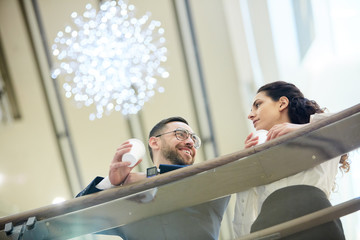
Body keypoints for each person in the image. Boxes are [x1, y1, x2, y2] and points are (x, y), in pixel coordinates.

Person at [77, 116, 230, 240]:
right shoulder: (126, 191)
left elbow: (185, 180)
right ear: (154, 142)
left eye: (193, 139)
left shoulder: (209, 179)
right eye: (181, 134)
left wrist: (144, 179)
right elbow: (77, 219)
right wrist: (111, 183)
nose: (190, 142)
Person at [233, 81, 349, 239]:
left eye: (258, 105)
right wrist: (246, 163)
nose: (250, 115)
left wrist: (301, 130)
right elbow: (244, 212)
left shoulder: (322, 135)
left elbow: (350, 125)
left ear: (282, 103)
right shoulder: (258, 155)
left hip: (317, 222)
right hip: (269, 227)